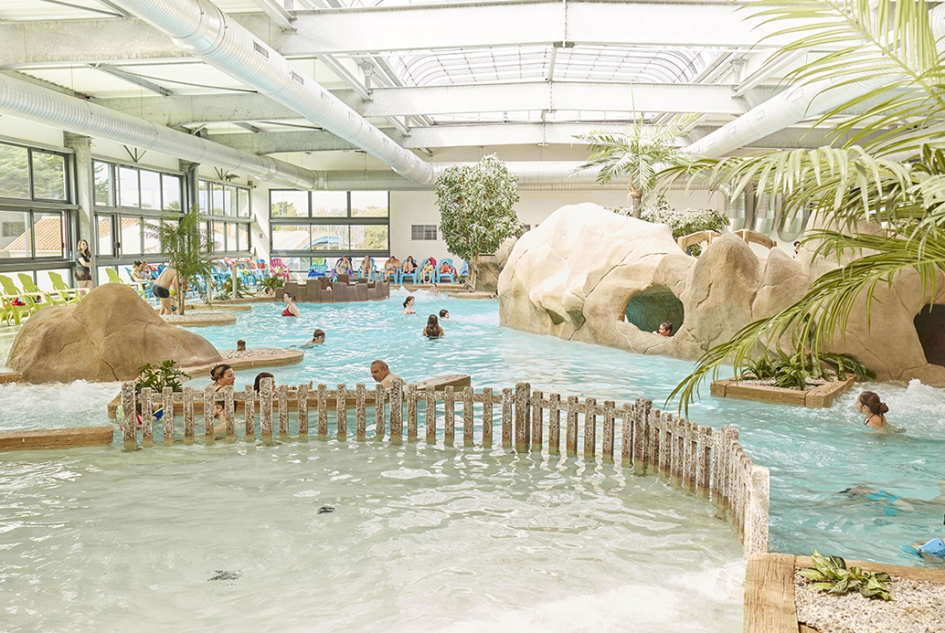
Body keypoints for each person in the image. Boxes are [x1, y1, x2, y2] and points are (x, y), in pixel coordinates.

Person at [209, 363, 236, 435]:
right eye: (230, 376)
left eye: (233, 375)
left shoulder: (211, 387)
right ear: (220, 378)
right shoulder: (225, 390)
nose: (234, 378)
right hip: (223, 422)